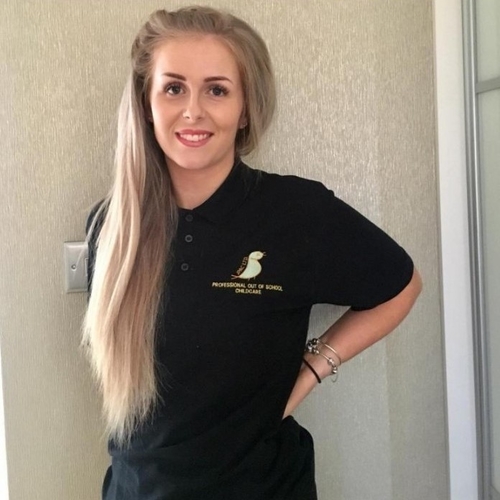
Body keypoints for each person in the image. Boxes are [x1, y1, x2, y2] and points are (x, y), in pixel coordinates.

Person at [82, 6, 422, 500]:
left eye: (217, 90)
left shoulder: (296, 212)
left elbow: (401, 285)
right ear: (146, 103)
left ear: (245, 108)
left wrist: (314, 366)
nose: (193, 111)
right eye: (173, 88)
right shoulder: (112, 228)